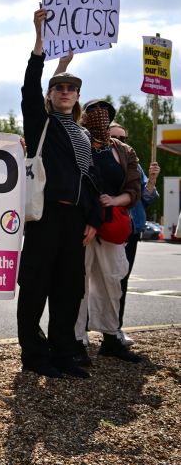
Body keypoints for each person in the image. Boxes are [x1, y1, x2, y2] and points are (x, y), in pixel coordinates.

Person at [16, 6, 101, 379]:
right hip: (45, 215)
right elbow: (29, 89)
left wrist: (93, 219)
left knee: (70, 290)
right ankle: (35, 355)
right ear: (51, 95)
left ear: (77, 96)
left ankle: (64, 352)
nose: (66, 92)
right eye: (60, 87)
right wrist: (41, 42)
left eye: (72, 88)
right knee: (35, 286)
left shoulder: (84, 133)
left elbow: (91, 179)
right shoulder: (41, 124)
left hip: (75, 221)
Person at [74, 100, 142, 363]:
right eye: (93, 114)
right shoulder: (79, 144)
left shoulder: (124, 151)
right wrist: (92, 217)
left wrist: (116, 201)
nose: (99, 119)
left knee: (112, 282)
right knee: (77, 284)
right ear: (85, 119)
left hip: (113, 226)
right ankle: (77, 339)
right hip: (83, 226)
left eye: (105, 114)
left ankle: (111, 337)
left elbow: (134, 187)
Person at [109, 123, 159, 346]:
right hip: (108, 228)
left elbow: (148, 197)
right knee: (96, 281)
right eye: (116, 137)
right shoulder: (102, 158)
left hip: (131, 229)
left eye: (124, 137)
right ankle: (82, 330)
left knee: (122, 281)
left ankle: (114, 329)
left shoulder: (132, 162)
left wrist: (153, 178)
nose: (122, 141)